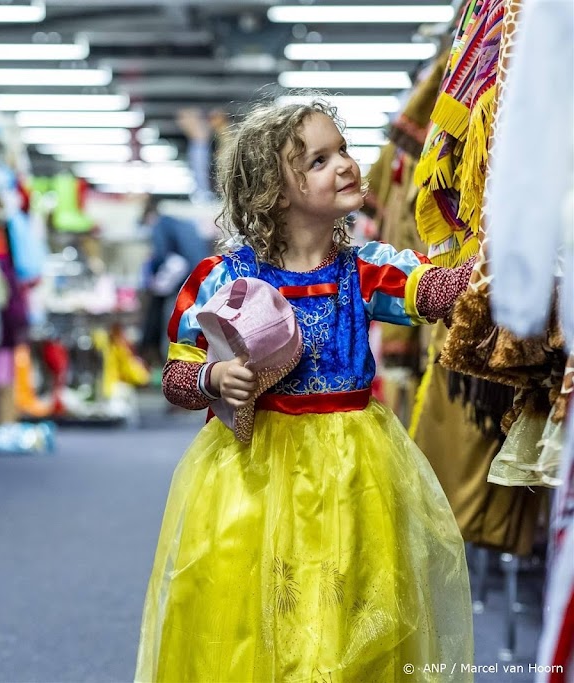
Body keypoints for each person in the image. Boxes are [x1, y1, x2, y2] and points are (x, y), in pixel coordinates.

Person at [135, 100, 475, 682]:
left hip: (352, 470)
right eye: (319, 160)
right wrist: (214, 378)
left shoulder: (364, 267)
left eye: (342, 149)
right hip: (251, 472)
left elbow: (432, 290)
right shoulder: (222, 279)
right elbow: (177, 376)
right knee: (255, 607)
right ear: (274, 191)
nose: (344, 165)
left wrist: (493, 263)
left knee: (349, 600)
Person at [138, 197, 212, 370]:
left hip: (183, 285)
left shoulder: (160, 224)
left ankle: (173, 374)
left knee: (173, 330)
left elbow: (163, 256)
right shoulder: (183, 224)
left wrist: (153, 282)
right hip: (202, 283)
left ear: (149, 217)